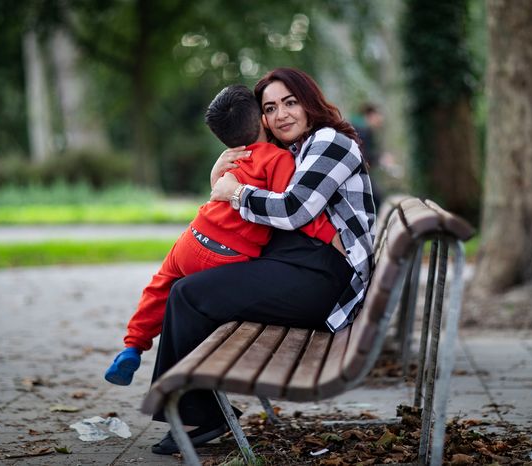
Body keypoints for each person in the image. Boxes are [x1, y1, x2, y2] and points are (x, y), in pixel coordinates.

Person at [146, 67, 376, 456]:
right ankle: (196, 409)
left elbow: (294, 209)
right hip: (305, 266)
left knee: (187, 295)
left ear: (310, 101)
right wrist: (219, 182)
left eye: (290, 102)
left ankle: (198, 413)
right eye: (270, 108)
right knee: (187, 289)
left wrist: (235, 193)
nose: (281, 114)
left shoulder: (330, 141)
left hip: (326, 279)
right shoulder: (297, 149)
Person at [104, 84, 339, 387]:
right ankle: (196, 395)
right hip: (229, 253)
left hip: (193, 239)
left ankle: (132, 347)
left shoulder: (228, 159)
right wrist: (331, 235)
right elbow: (295, 212)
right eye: (268, 110)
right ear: (263, 121)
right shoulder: (278, 160)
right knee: (200, 299)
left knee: (161, 286)